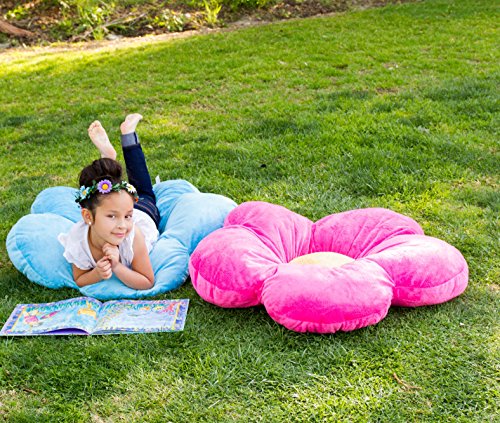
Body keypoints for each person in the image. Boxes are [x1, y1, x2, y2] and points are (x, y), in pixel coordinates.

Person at [58, 113, 159, 290]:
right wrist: (96, 274)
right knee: (113, 197)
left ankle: (128, 136)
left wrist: (117, 266)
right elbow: (80, 279)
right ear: (88, 216)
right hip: (119, 203)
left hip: (142, 211)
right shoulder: (78, 240)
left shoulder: (133, 235)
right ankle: (111, 157)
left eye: (127, 217)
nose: (122, 226)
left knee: (144, 191)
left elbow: (147, 281)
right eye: (112, 217)